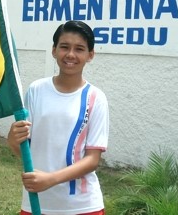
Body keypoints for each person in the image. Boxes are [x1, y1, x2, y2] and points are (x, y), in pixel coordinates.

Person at [7, 20, 109, 215]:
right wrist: (13, 138)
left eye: (79, 49)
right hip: (36, 202)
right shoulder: (37, 90)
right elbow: (22, 148)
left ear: (90, 55)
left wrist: (50, 179)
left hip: (82, 205)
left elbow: (92, 159)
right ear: (54, 51)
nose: (71, 54)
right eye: (64, 47)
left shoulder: (96, 98)